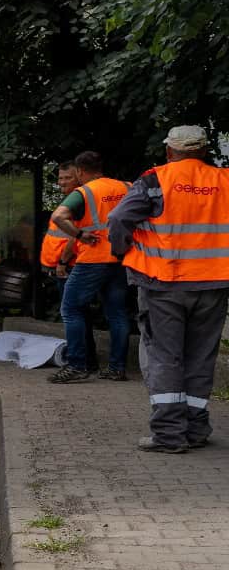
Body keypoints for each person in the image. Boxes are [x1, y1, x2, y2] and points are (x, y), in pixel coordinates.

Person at [108, 124, 229, 453]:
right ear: (204, 151)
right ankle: (196, 429)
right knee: (201, 357)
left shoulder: (154, 181)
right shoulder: (225, 181)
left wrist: (122, 252)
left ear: (169, 151)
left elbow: (118, 220)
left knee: (165, 358)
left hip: (164, 284)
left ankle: (168, 435)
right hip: (215, 284)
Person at [46, 151, 131, 383]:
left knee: (71, 309)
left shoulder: (84, 192)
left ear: (80, 172)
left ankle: (77, 365)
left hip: (93, 259)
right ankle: (117, 368)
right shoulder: (127, 186)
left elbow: (58, 217)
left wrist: (80, 235)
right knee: (117, 314)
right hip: (121, 259)